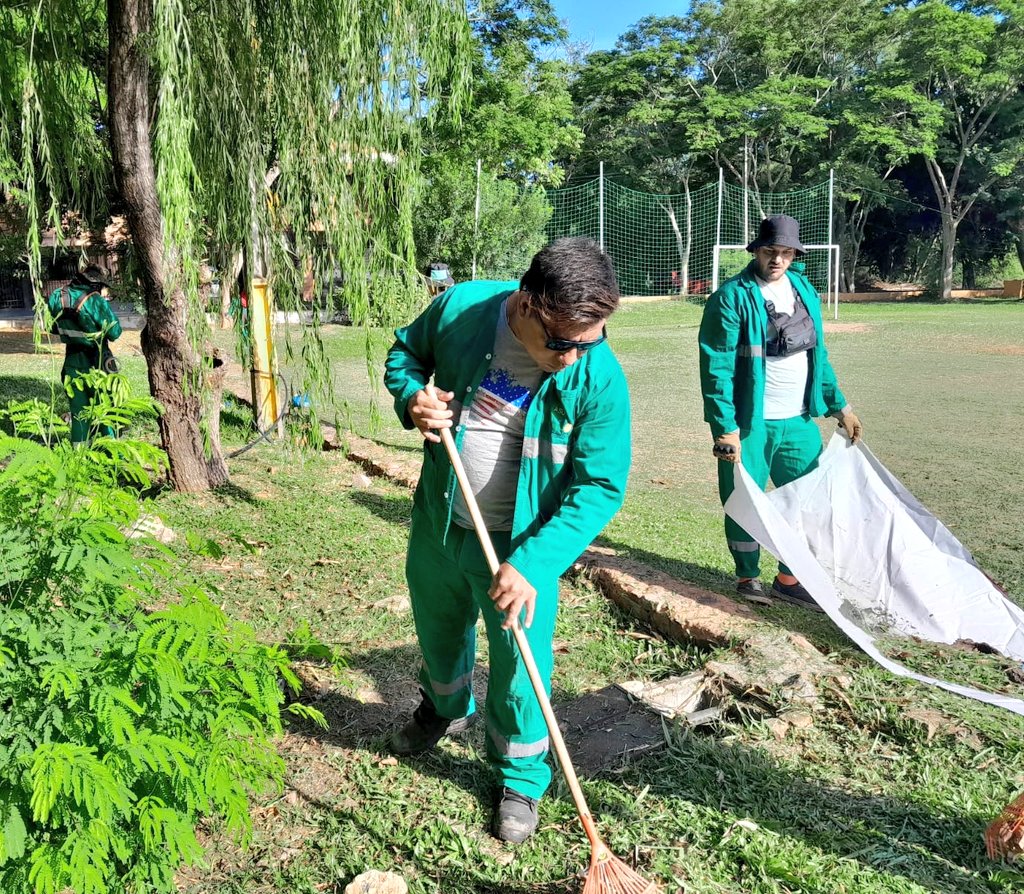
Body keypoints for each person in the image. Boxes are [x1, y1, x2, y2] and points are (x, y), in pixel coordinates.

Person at [384, 237, 631, 844]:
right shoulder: (462, 309)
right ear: (525, 304)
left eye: (589, 340)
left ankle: (520, 776)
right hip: (441, 525)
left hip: (521, 550)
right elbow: (404, 355)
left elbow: (599, 486)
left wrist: (533, 563)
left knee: (522, 666)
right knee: (439, 631)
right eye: (562, 342)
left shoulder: (599, 378)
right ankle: (444, 708)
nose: (574, 357)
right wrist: (412, 396)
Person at [698, 215, 862, 610]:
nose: (778, 260)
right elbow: (715, 366)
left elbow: (817, 356)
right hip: (750, 425)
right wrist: (725, 428)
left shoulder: (804, 289)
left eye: (786, 252)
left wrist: (841, 405)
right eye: (771, 251)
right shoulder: (731, 297)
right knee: (745, 501)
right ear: (756, 250)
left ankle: (788, 579)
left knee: (809, 499)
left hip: (799, 420)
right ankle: (747, 576)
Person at [47, 264, 123, 445]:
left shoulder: (58, 296)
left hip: (72, 364)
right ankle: (112, 456)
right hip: (97, 364)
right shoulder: (95, 300)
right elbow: (115, 333)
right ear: (96, 284)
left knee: (79, 415)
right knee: (106, 412)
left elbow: (52, 328)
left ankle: (79, 458)